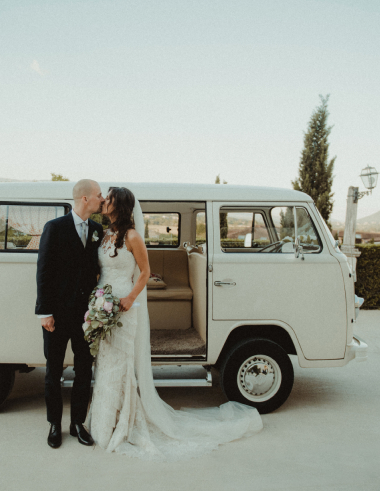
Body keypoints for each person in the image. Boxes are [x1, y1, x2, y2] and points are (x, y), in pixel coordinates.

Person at [86, 187, 263, 460]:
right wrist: (98, 300)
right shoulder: (106, 234)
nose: (104, 201)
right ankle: (103, 422)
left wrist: (130, 298)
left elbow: (145, 272)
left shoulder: (133, 236)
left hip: (124, 306)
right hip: (104, 303)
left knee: (122, 364)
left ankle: (124, 423)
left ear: (118, 205)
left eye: (108, 198)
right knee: (106, 362)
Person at [35, 179, 105, 448]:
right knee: (53, 371)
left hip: (87, 316)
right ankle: (55, 424)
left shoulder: (98, 230)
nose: (102, 199)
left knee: (84, 370)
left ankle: (78, 423)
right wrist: (45, 312)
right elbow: (44, 272)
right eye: (99, 195)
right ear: (85, 198)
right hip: (57, 314)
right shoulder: (54, 227)